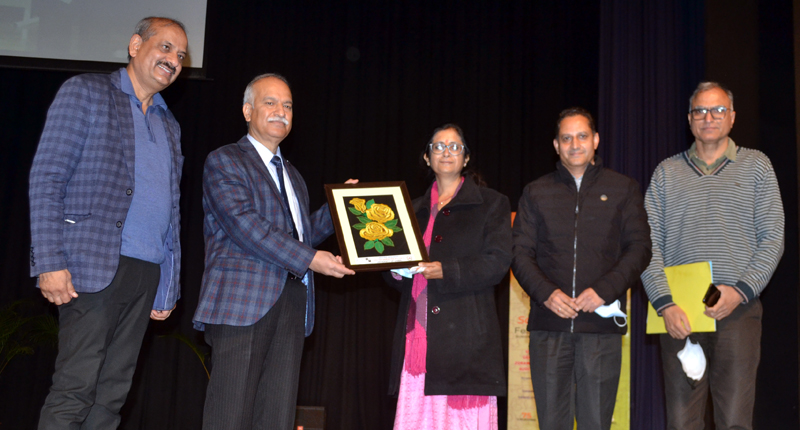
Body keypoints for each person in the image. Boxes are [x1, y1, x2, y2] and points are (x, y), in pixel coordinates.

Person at [28, 17, 188, 429]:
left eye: (182, 56)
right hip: (91, 266)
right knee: (74, 390)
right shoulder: (86, 92)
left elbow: (172, 212)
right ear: (136, 45)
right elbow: (47, 176)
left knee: (111, 397)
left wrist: (168, 286)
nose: (174, 60)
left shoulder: (170, 125)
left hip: (145, 274)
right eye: (166, 47)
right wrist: (48, 260)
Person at [193, 73, 356, 430]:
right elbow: (243, 223)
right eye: (270, 102)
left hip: (293, 302)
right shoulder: (225, 160)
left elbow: (299, 236)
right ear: (247, 110)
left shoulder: (293, 176)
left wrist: (338, 207)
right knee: (229, 415)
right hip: (243, 303)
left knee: (276, 418)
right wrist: (311, 259)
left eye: (288, 105)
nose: (281, 111)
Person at [641, 82, 784, 430]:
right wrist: (664, 304)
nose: (709, 118)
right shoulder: (665, 173)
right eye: (700, 111)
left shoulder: (757, 167)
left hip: (738, 311)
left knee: (735, 421)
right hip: (679, 315)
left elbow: (773, 238)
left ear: (732, 117)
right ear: (689, 120)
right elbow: (646, 246)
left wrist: (739, 291)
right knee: (680, 422)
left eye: (718, 110)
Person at [511, 108, 651, 430]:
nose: (575, 144)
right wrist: (546, 293)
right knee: (551, 424)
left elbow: (640, 248)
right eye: (566, 138)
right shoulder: (536, 192)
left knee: (595, 424)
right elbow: (519, 253)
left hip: (600, 331)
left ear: (596, 140)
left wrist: (605, 290)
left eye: (582, 136)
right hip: (549, 328)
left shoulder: (623, 188)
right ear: (556, 145)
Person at [382, 124, 510, 429]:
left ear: (466, 157)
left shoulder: (492, 203)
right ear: (427, 158)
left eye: (455, 146)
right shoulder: (409, 210)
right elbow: (396, 276)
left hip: (466, 343)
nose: (446, 152)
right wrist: (394, 271)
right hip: (419, 343)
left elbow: (498, 263)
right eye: (438, 146)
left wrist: (444, 269)